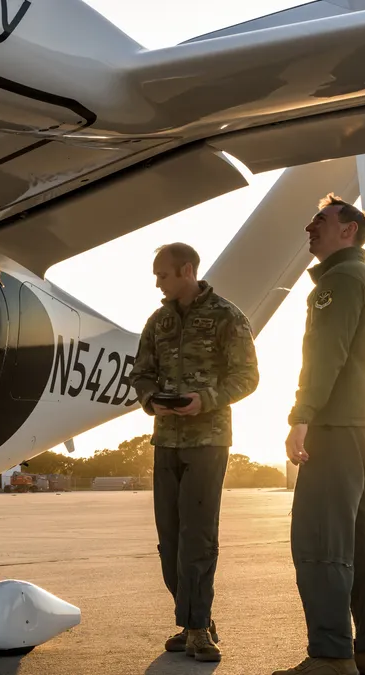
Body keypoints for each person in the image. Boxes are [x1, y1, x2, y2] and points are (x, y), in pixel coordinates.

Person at [273, 195, 365, 675]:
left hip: (338, 426)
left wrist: (302, 414)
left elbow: (326, 355)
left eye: (320, 219)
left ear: (348, 230)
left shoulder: (339, 281)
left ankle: (330, 656)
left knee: (322, 539)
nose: (310, 225)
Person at [130, 242, 260, 663]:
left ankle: (199, 628)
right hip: (166, 439)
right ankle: (191, 622)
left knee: (198, 538)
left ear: (186, 270)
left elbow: (247, 376)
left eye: (162, 274)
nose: (156, 282)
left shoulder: (227, 315)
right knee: (169, 540)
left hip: (208, 439)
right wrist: (153, 400)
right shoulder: (159, 320)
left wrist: (204, 399)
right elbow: (141, 374)